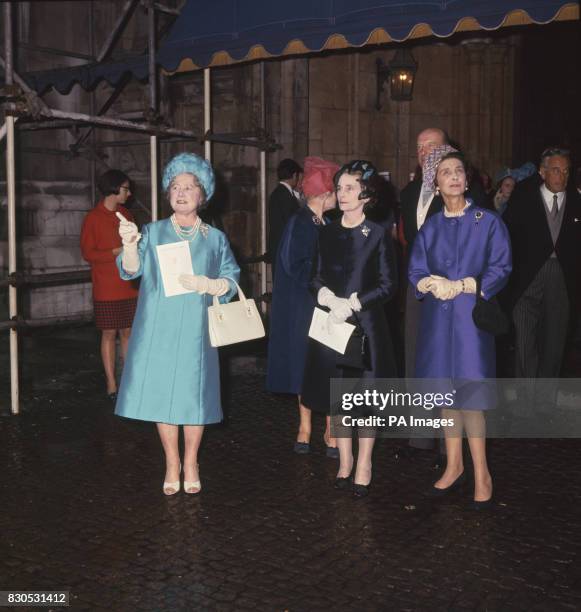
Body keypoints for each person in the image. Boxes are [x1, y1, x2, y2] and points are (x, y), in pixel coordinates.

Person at [114, 153, 240, 496]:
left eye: (189, 187)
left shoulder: (215, 238)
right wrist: (129, 245)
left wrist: (213, 285)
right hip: (158, 325)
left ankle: (192, 461)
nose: (181, 192)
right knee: (163, 396)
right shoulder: (152, 232)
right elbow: (130, 270)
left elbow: (231, 277)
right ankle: (172, 462)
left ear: (203, 195)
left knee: (193, 397)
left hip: (197, 331)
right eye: (175, 187)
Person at [408, 151, 512, 509]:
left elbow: (501, 266)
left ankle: (481, 472)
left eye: (458, 172)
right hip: (438, 320)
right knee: (445, 398)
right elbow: (416, 270)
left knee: (471, 399)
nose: (452, 177)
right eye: (445, 173)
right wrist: (428, 284)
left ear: (467, 180)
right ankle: (453, 466)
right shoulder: (431, 227)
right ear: (435, 184)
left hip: (471, 321)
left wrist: (468, 284)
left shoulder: (488, 221)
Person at [301, 160, 398, 498]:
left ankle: (365, 463)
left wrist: (354, 303)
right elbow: (314, 276)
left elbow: (388, 285)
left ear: (366, 195)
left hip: (366, 327)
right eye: (339, 187)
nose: (342, 194)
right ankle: (344, 461)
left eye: (350, 188)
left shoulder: (379, 235)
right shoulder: (326, 230)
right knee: (339, 398)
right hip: (333, 327)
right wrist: (326, 295)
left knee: (365, 400)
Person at [266, 156, 340, 457]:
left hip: (328, 306)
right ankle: (305, 427)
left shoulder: (329, 222)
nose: (340, 196)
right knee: (305, 366)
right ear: (324, 193)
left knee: (330, 365)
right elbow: (296, 267)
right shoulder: (300, 223)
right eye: (337, 190)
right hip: (306, 306)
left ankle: (331, 427)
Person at [503, 148, 581, 408]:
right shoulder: (524, 197)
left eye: (567, 170)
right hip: (527, 278)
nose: (563, 175)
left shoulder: (577, 201)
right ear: (542, 171)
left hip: (562, 279)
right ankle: (526, 402)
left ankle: (545, 402)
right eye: (557, 169)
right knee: (525, 339)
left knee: (555, 340)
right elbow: (508, 234)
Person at [80, 169, 139, 401]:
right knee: (108, 333)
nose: (129, 192)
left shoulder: (126, 214)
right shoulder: (93, 218)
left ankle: (129, 380)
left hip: (129, 284)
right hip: (106, 285)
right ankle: (111, 384)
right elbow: (88, 253)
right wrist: (116, 252)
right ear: (114, 189)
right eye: (125, 188)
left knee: (128, 332)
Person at [267, 158, 303, 280]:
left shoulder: (279, 193)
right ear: (294, 176)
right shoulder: (285, 195)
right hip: (284, 250)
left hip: (279, 248)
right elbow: (292, 223)